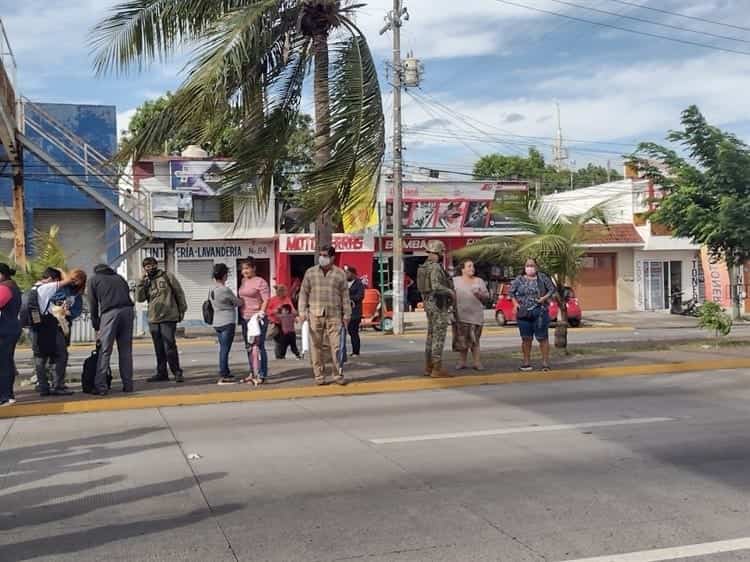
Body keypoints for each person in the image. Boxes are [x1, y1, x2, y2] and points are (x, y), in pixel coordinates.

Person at [298, 245, 351, 386]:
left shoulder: (340, 274)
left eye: (325, 255)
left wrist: (347, 315)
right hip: (315, 314)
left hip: (335, 315)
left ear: (332, 257)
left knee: (337, 346)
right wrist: (302, 312)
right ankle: (319, 375)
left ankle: (337, 374)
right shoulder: (310, 273)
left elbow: (345, 296)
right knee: (316, 346)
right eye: (320, 255)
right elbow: (303, 293)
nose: (322, 258)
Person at [136, 257, 188, 383]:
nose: (150, 268)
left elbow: (179, 293)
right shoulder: (146, 281)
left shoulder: (167, 276)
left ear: (156, 265)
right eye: (147, 266)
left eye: (152, 265)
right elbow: (139, 298)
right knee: (158, 347)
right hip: (153, 318)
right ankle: (162, 372)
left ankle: (176, 371)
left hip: (168, 316)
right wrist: (141, 283)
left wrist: (182, 310)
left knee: (169, 345)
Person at [88, 264, 136, 395]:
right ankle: (128, 385)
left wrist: (96, 324)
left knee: (105, 350)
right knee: (126, 351)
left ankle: (101, 387)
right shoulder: (119, 278)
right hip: (128, 311)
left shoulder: (94, 280)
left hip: (110, 313)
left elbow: (93, 303)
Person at [35, 270, 83, 395]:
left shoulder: (77, 294)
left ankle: (51, 384)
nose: (75, 282)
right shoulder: (59, 288)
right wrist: (59, 307)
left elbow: (77, 310)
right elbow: (48, 301)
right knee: (55, 355)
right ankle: (52, 385)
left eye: (79, 280)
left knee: (55, 355)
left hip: (62, 325)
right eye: (74, 279)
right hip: (50, 324)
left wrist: (68, 313)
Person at [509, 257, 557, 372]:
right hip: (524, 312)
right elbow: (511, 292)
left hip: (540, 311)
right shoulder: (519, 279)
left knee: (542, 338)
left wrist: (543, 298)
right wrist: (515, 304)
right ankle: (526, 362)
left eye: (532, 265)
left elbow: (552, 289)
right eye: (527, 265)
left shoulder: (542, 278)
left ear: (536, 266)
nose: (529, 268)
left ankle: (545, 363)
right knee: (526, 338)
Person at [418, 240, 455, 378]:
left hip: (429, 305)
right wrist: (450, 292)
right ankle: (437, 368)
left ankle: (428, 366)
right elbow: (436, 286)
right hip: (438, 306)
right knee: (438, 338)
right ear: (438, 253)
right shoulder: (435, 268)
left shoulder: (424, 267)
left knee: (431, 337)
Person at [209, 263, 243, 385]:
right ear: (224, 275)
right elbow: (237, 302)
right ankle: (223, 374)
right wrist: (242, 300)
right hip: (227, 321)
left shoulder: (211, 289)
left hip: (217, 321)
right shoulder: (225, 290)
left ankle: (226, 371)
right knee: (225, 349)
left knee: (222, 348)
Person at [453, 259, 489, 370]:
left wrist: (479, 294)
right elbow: (450, 296)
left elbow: (487, 297)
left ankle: (477, 362)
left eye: (473, 266)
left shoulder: (479, 281)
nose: (472, 269)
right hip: (460, 315)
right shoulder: (455, 281)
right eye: (469, 266)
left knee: (475, 340)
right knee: (462, 340)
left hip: (476, 316)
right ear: (462, 269)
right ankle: (462, 362)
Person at [238, 257, 270, 385]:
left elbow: (266, 299)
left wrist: (261, 313)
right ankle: (253, 372)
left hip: (257, 319)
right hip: (245, 318)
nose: (244, 271)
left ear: (253, 268)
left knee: (259, 346)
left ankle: (262, 374)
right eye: (243, 269)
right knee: (249, 346)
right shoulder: (243, 281)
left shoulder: (260, 282)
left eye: (247, 268)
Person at [0, 263, 22, 407]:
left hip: (5, 331)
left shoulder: (5, 287)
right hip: (9, 329)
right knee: (5, 362)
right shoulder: (10, 285)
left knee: (4, 363)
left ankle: (6, 396)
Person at [267, 285, 295, 359]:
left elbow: (291, 309)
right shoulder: (272, 300)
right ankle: (279, 355)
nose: (283, 293)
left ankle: (281, 355)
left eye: (284, 292)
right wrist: (274, 310)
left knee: (284, 340)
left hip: (285, 323)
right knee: (279, 340)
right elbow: (267, 311)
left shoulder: (287, 299)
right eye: (281, 292)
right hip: (275, 322)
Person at [344, 266, 365, 357]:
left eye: (347, 273)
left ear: (352, 273)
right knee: (347, 331)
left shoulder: (358, 283)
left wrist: (350, 298)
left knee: (353, 331)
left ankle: (356, 351)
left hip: (355, 312)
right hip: (345, 312)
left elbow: (360, 296)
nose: (346, 275)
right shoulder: (344, 283)